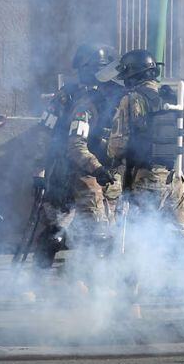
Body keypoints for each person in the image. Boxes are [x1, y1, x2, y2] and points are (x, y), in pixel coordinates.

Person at [106, 49, 184, 317]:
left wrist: (106, 156)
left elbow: (118, 145)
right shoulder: (172, 96)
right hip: (175, 178)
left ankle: (130, 307)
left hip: (147, 179)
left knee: (136, 238)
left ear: (131, 74)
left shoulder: (132, 99)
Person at [31, 44, 119, 272]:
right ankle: (35, 282)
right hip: (65, 169)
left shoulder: (110, 95)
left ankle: (91, 282)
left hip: (96, 171)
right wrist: (40, 167)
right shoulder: (67, 95)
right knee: (57, 228)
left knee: (100, 231)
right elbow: (44, 131)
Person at [63, 44, 125, 288]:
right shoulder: (86, 106)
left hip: (113, 176)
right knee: (93, 233)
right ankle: (80, 284)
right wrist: (97, 168)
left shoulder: (121, 104)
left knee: (113, 234)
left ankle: (103, 285)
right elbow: (75, 146)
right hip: (89, 177)